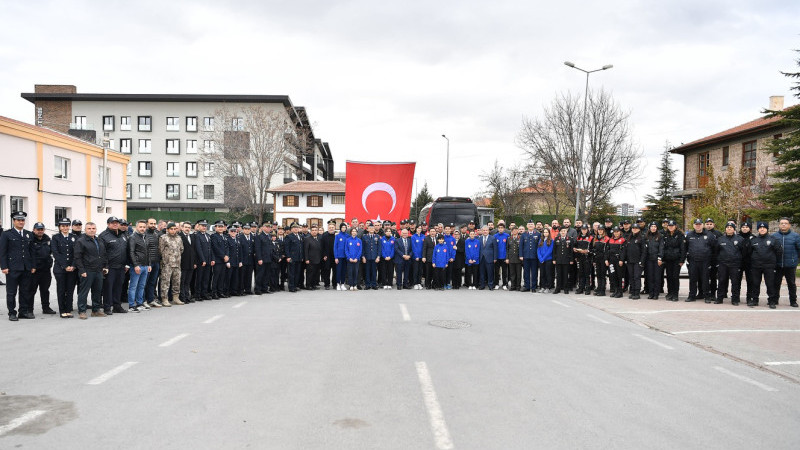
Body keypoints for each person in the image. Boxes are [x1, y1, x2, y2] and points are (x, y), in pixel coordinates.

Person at [1, 211, 34, 321]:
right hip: (12, 268)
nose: (21, 222)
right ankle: (12, 312)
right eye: (18, 220)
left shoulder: (29, 234)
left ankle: (23, 312)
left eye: (22, 220)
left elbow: (32, 252)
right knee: (11, 292)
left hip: (26, 268)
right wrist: (4, 266)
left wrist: (32, 266)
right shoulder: (6, 234)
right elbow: (3, 252)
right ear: (14, 221)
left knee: (25, 291)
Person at [74, 222, 109, 319]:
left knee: (97, 291)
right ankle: (82, 311)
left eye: (93, 228)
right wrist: (82, 270)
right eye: (89, 228)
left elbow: (104, 254)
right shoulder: (81, 241)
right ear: (85, 230)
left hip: (99, 271)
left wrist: (105, 266)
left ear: (96, 229)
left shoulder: (99, 240)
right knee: (83, 292)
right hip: (87, 270)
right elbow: (77, 257)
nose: (91, 230)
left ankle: (96, 310)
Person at [99, 216, 128, 314]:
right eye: (113, 223)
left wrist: (127, 264)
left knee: (118, 287)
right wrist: (105, 266)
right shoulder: (104, 236)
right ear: (108, 224)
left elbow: (126, 250)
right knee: (108, 288)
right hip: (110, 267)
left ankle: (117, 306)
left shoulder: (122, 235)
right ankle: (107, 307)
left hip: (121, 267)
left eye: (117, 223)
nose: (115, 224)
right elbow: (102, 253)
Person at [750, 221, 782, 308]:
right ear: (758, 230)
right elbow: (749, 252)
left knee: (770, 284)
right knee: (755, 283)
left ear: (767, 229)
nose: (762, 229)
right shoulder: (753, 240)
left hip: (769, 266)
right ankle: (755, 300)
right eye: (760, 228)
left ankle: (771, 301)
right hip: (756, 266)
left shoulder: (773, 239)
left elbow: (779, 252)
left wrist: (773, 262)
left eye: (764, 228)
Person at [685, 218, 716, 302]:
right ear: (693, 225)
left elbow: (714, 248)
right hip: (693, 261)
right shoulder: (689, 235)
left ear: (702, 225)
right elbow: (686, 248)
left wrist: (711, 261)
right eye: (696, 224)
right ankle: (692, 296)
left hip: (705, 261)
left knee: (705, 279)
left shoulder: (709, 235)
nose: (698, 226)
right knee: (693, 279)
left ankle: (707, 296)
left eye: (699, 224)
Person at [52, 217, 78, 317]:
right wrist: (65, 266)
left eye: (67, 225)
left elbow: (76, 253)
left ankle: (68, 310)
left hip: (72, 269)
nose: (65, 228)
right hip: (60, 268)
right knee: (61, 290)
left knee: (70, 290)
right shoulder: (55, 238)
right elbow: (56, 253)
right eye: (63, 226)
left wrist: (73, 265)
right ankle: (62, 310)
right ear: (59, 227)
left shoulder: (74, 237)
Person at [28, 222, 55, 314]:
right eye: (38, 229)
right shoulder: (30, 239)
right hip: (34, 270)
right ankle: (29, 309)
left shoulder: (47, 239)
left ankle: (46, 308)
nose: (40, 231)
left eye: (41, 229)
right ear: (34, 230)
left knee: (45, 290)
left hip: (45, 270)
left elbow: (51, 252)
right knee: (31, 291)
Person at [716, 221, 745, 305]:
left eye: (731, 227)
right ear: (725, 229)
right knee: (721, 281)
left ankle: (735, 299)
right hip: (723, 264)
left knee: (735, 282)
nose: (729, 229)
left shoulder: (740, 239)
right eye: (727, 227)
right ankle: (719, 298)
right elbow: (716, 251)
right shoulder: (720, 239)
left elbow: (743, 252)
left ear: (734, 229)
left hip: (735, 264)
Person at [772, 217, 799, 307]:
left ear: (789, 225)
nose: (783, 224)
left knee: (791, 283)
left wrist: (795, 260)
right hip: (777, 264)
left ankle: (793, 301)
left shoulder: (795, 236)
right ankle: (775, 300)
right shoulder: (774, 236)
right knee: (776, 283)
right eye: (782, 223)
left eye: (786, 223)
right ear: (779, 225)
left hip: (790, 265)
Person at [659, 220, 686, 302]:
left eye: (672, 225)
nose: (670, 227)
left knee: (675, 277)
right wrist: (662, 258)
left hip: (676, 259)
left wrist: (682, 260)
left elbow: (683, 248)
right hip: (668, 259)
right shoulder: (665, 235)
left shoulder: (680, 235)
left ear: (675, 226)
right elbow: (663, 247)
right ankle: (670, 293)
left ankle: (675, 294)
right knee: (669, 277)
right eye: (669, 226)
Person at [159, 222, 184, 306]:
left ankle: (176, 297)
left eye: (174, 229)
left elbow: (181, 249)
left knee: (177, 281)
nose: (173, 231)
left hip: (177, 263)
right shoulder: (163, 238)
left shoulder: (179, 238)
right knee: (165, 282)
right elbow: (160, 250)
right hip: (167, 264)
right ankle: (164, 298)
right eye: (171, 229)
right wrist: (166, 258)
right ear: (167, 230)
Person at [143, 218, 162, 307]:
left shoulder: (156, 234)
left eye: (154, 223)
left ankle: (150, 300)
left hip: (156, 262)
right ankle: (142, 301)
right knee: (144, 283)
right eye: (151, 223)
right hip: (147, 263)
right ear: (147, 224)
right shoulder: (144, 234)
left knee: (152, 282)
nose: (153, 225)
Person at [625, 224, 645, 300]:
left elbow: (644, 251)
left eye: (636, 228)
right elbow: (626, 249)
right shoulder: (629, 237)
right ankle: (633, 291)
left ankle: (637, 292)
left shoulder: (641, 238)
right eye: (633, 228)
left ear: (639, 229)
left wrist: (642, 261)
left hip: (638, 261)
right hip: (630, 261)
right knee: (631, 277)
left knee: (637, 277)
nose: (634, 229)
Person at [643, 222, 662, 299]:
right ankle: (651, 293)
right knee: (650, 277)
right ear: (649, 228)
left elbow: (661, 248)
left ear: (657, 228)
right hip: (649, 260)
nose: (653, 228)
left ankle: (656, 293)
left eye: (655, 226)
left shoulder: (660, 236)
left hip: (657, 260)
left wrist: (660, 257)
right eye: (652, 226)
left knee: (657, 277)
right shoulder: (646, 236)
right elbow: (644, 249)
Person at [193, 220, 212, 300]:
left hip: (208, 260)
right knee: (199, 278)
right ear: (199, 226)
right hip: (201, 261)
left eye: (205, 226)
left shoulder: (208, 235)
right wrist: (203, 260)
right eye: (202, 226)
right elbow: (198, 249)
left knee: (206, 278)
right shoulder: (197, 235)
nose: (204, 227)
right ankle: (198, 294)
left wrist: (212, 259)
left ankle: (204, 293)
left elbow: (210, 249)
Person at [520, 220, 540, 293]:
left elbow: (539, 246)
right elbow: (521, 246)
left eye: (532, 224)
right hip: (526, 256)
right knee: (526, 272)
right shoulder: (523, 234)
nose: (530, 226)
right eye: (529, 224)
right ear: (527, 226)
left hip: (534, 257)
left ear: (534, 226)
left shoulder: (538, 234)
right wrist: (521, 255)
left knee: (534, 272)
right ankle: (527, 286)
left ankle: (534, 286)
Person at [738, 222, 755, 305]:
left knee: (750, 281)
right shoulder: (736, 237)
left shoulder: (754, 238)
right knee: (737, 281)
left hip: (750, 263)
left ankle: (749, 298)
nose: (745, 228)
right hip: (738, 262)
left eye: (747, 227)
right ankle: (736, 297)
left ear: (750, 228)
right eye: (743, 227)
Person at [553, 227, 573, 294]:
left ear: (566, 232)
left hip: (566, 260)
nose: (563, 232)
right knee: (558, 275)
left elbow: (571, 251)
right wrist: (554, 259)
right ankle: (558, 288)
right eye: (561, 231)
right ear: (560, 232)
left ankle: (565, 288)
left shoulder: (569, 239)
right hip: (558, 260)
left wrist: (571, 259)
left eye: (564, 231)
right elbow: (554, 250)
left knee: (565, 275)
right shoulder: (556, 239)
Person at [284, 223, 303, 293]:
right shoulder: (289, 236)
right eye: (294, 228)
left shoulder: (300, 236)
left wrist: (301, 257)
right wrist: (288, 257)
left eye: (297, 228)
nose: (296, 229)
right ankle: (291, 287)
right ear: (291, 229)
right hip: (292, 258)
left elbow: (301, 248)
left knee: (297, 273)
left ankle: (295, 286)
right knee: (291, 273)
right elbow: (286, 248)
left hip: (298, 258)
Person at [574, 225, 593, 295]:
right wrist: (575, 250)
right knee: (580, 273)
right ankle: (580, 288)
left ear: (587, 230)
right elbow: (575, 246)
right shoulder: (578, 237)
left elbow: (592, 249)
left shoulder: (591, 238)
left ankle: (587, 288)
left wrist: (587, 251)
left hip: (587, 258)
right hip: (579, 258)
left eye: (585, 229)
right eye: (582, 229)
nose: (584, 231)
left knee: (587, 274)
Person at [591, 227, 610, 297]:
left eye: (601, 230)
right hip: (597, 259)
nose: (600, 231)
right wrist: (594, 260)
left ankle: (602, 290)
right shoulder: (595, 239)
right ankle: (599, 288)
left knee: (603, 275)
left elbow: (607, 251)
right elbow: (594, 250)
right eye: (599, 230)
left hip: (603, 259)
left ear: (604, 231)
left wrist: (606, 259)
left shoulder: (607, 239)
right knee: (598, 274)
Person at [361, 223, 380, 290]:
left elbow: (379, 248)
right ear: (368, 229)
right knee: (367, 271)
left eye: (373, 228)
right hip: (367, 257)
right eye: (370, 228)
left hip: (374, 257)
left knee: (374, 271)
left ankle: (374, 284)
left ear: (374, 229)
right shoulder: (364, 237)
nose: (371, 229)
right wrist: (363, 256)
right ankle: (367, 284)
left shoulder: (377, 237)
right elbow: (362, 248)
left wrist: (378, 256)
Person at [478, 226, 498, 290]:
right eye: (484, 230)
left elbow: (495, 249)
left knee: (490, 272)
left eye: (486, 230)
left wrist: (495, 258)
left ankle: (490, 285)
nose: (485, 231)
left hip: (490, 258)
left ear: (488, 231)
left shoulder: (493, 238)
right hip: (481, 258)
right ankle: (482, 285)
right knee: (482, 272)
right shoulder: (479, 239)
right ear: (482, 231)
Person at [303, 225, 322, 290]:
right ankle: (308, 285)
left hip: (318, 259)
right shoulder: (307, 239)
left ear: (317, 231)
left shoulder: (319, 238)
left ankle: (314, 285)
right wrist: (306, 259)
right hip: (310, 259)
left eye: (315, 230)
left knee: (315, 273)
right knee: (310, 273)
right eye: (313, 230)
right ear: (310, 231)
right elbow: (305, 250)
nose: (314, 232)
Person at [238, 223, 255, 295]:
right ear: (243, 230)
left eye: (248, 229)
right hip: (243, 259)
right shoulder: (240, 237)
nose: (247, 230)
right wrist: (240, 260)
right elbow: (239, 250)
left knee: (249, 275)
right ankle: (241, 290)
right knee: (242, 275)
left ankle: (248, 289)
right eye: (245, 229)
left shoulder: (253, 237)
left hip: (250, 260)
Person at [225, 226, 242, 296]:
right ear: (229, 232)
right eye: (232, 231)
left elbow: (240, 251)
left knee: (235, 277)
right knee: (228, 277)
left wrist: (240, 261)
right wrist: (227, 261)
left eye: (234, 231)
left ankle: (234, 290)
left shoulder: (237, 239)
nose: (233, 232)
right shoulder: (227, 239)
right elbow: (227, 251)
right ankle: (227, 291)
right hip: (230, 261)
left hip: (236, 261)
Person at [320, 221, 336, 290]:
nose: (331, 228)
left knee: (335, 271)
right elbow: (321, 246)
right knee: (327, 270)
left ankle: (335, 284)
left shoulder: (337, 235)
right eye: (330, 227)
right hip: (327, 256)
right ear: (328, 228)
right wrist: (324, 255)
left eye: (332, 227)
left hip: (335, 256)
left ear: (335, 228)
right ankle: (327, 284)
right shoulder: (324, 235)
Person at [537, 228, 554, 293]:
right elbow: (538, 250)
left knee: (548, 274)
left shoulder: (551, 241)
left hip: (548, 260)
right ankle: (542, 287)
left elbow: (549, 251)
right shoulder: (541, 240)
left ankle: (548, 287)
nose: (545, 233)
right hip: (541, 260)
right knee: (542, 274)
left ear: (549, 233)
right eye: (544, 232)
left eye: (547, 232)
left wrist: (543, 258)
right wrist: (540, 258)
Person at [494, 222, 510, 290]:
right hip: (497, 257)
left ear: (504, 229)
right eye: (499, 228)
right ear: (498, 229)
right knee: (496, 272)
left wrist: (507, 257)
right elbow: (494, 247)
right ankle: (496, 284)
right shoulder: (495, 236)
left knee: (504, 272)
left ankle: (504, 284)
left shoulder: (507, 236)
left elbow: (508, 247)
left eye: (502, 228)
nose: (500, 229)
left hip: (504, 257)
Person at [333, 223, 348, 290]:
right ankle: (338, 283)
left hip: (346, 256)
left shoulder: (348, 236)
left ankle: (342, 283)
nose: (343, 228)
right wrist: (336, 257)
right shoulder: (337, 236)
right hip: (339, 256)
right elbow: (335, 247)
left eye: (345, 227)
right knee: (338, 270)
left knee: (344, 271)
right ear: (340, 228)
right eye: (342, 227)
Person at [411, 225, 425, 289]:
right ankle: (415, 283)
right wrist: (416, 256)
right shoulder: (413, 237)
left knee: (420, 270)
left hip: (421, 256)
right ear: (416, 229)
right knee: (415, 270)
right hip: (415, 257)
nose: (419, 229)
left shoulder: (423, 236)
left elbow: (424, 247)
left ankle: (419, 282)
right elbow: (413, 247)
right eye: (418, 228)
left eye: (420, 228)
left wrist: (423, 256)